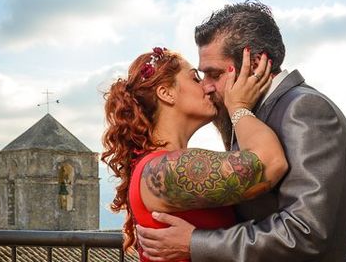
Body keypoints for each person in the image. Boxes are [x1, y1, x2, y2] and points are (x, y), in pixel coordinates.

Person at [136, 0, 346, 262]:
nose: (206, 87)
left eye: (214, 74)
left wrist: (196, 243)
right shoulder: (250, 115)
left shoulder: (304, 109)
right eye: (199, 76)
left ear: (254, 64)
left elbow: (305, 232)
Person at [101, 46, 288, 261]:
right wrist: (239, 106)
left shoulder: (158, 164)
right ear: (166, 93)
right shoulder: (163, 168)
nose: (207, 87)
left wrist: (195, 241)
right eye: (195, 78)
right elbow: (271, 163)